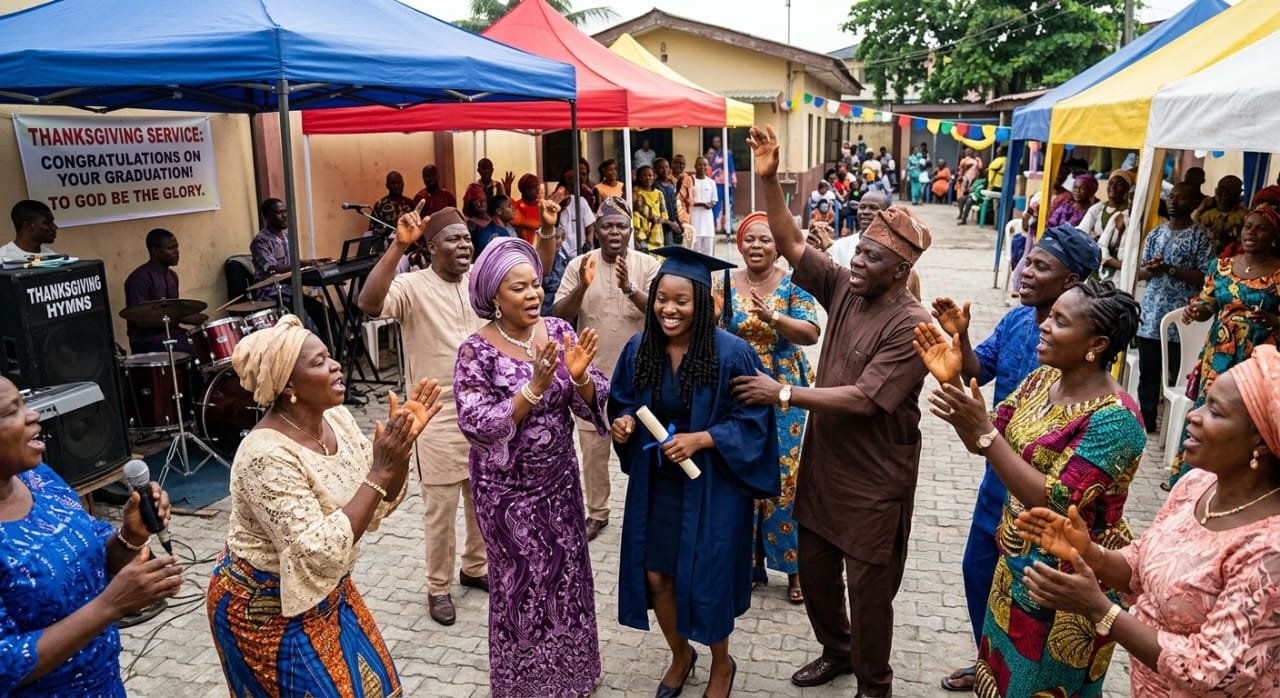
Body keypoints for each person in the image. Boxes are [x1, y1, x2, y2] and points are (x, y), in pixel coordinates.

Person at [735, 125, 932, 696]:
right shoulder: (848, 286)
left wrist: (784, 393)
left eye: (872, 257)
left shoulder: (913, 323)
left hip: (875, 480)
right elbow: (793, 243)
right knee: (818, 574)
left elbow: (867, 399)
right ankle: (837, 651)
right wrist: (769, 179)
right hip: (825, 467)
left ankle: (874, 683)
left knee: (869, 591)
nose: (859, 261)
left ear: (899, 270)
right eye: (860, 251)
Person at [917, 279, 1146, 698]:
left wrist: (984, 432)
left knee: (1042, 686)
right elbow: (987, 444)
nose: (1043, 325)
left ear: (1095, 344)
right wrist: (953, 386)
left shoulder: (1117, 420)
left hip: (1067, 583)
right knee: (1000, 677)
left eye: (1060, 321)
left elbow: (1056, 497)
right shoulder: (1042, 381)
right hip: (1015, 565)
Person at [1017, 345, 1280, 696]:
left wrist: (1101, 610)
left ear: (1259, 442)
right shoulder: (1196, 485)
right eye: (1202, 402)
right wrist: (1091, 554)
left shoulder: (1269, 551)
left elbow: (1213, 672)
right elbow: (1142, 563)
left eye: (1215, 412)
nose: (1194, 416)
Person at [207, 315, 436, 696]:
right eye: (318, 362)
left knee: (381, 687)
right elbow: (317, 552)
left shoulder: (337, 418)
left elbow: (377, 503)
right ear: (288, 386)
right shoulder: (264, 455)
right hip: (265, 607)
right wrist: (380, 470)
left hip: (330, 590)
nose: (335, 366)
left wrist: (400, 450)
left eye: (329, 356)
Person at [928, 224, 1099, 692]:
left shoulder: (1082, 344)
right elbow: (976, 370)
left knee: (1028, 595)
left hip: (1045, 497)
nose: (1024, 272)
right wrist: (959, 338)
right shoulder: (1017, 322)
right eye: (1028, 261)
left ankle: (1016, 673)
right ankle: (988, 658)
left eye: (1040, 266)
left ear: (1072, 281)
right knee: (977, 569)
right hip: (998, 476)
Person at [610, 245, 779, 698]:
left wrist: (702, 439)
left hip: (713, 485)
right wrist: (623, 423)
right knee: (657, 575)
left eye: (681, 300)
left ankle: (722, 663)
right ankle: (680, 654)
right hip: (657, 482)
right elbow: (624, 399)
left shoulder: (733, 354)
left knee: (706, 578)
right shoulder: (639, 348)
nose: (669, 309)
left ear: (701, 303)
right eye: (662, 298)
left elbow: (753, 420)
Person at [454, 236, 608, 698]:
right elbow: (477, 423)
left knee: (567, 579)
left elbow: (597, 396)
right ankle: (526, 685)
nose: (533, 295)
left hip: (560, 487)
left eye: (536, 285)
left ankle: (574, 675)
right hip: (507, 498)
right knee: (521, 586)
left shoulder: (560, 331)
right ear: (494, 298)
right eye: (518, 288)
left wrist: (579, 378)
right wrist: (533, 389)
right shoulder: (475, 351)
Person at [0, 376, 182, 697]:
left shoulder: (38, 479)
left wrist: (130, 536)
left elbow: (97, 552)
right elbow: (5, 663)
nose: (33, 415)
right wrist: (109, 606)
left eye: (24, 403)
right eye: (9, 411)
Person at [357, 205, 489, 627]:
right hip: (434, 414)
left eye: (467, 238)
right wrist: (398, 246)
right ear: (431, 248)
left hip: (483, 408)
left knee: (480, 498)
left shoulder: (479, 284)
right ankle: (438, 586)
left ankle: (475, 567)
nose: (464, 245)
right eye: (453, 239)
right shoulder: (412, 286)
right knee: (441, 506)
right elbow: (369, 303)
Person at [716, 213, 820, 603]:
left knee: (784, 479)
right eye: (749, 240)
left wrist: (774, 317)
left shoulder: (795, 283)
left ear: (778, 247)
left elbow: (811, 333)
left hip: (783, 387)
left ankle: (793, 569)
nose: (756, 246)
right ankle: (750, 562)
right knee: (743, 469)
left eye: (765, 239)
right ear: (740, 245)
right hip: (739, 384)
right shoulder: (723, 282)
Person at [553, 196, 660, 541]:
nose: (614, 232)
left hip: (641, 378)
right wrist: (583, 285)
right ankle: (597, 512)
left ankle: (648, 511)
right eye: (607, 226)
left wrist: (630, 289)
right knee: (593, 451)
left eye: (621, 226)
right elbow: (559, 316)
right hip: (591, 377)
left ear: (632, 231)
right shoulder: (578, 264)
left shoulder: (650, 266)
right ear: (595, 231)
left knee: (647, 446)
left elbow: (662, 313)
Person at [1168, 202, 1280, 486]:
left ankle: (1240, 480)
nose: (1251, 233)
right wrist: (1195, 311)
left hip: (1258, 357)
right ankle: (1191, 478)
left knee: (1249, 417)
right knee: (1209, 410)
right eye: (1248, 226)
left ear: (1274, 235)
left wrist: (1273, 320)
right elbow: (1207, 304)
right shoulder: (1222, 266)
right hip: (1219, 356)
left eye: (1261, 229)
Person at [1136, 182, 1214, 430]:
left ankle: (1174, 426)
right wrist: (1150, 269)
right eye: (1170, 197)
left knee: (1176, 376)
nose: (1172, 201)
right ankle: (1145, 422)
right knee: (1148, 373)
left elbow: (1205, 277)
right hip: (1150, 317)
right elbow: (1140, 273)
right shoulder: (1155, 234)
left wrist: (1169, 269)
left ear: (1192, 204)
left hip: (1182, 320)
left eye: (1179, 198)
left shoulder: (1200, 237)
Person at [248, 198, 333, 340]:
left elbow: (294, 263)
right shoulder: (260, 241)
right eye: (279, 213)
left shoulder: (287, 237)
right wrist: (304, 264)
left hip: (291, 292)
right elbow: (273, 268)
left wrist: (314, 263)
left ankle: (333, 353)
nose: (284, 216)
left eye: (285, 212)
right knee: (306, 325)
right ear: (267, 217)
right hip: (274, 294)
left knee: (324, 315)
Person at [123, 228, 208, 353]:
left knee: (205, 340)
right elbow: (140, 320)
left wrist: (189, 316)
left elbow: (171, 309)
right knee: (189, 348)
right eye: (170, 248)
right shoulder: (139, 279)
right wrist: (183, 318)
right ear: (155, 251)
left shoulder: (172, 276)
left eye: (177, 247)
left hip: (172, 333)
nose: (177, 252)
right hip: (146, 340)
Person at [1194, 174, 1247, 257]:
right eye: (1220, 191)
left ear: (1236, 196)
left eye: (1228, 193)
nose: (1222, 196)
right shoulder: (1207, 215)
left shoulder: (1245, 216)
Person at [551, 165, 597, 256]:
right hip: (560, 255)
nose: (571, 182)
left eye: (573, 179)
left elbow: (590, 229)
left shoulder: (581, 202)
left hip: (579, 253)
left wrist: (589, 244)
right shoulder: (553, 204)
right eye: (568, 179)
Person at [1079, 171, 1132, 243]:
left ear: (1126, 189)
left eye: (1119, 185)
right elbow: (1082, 229)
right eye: (1111, 183)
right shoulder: (1098, 208)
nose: (1113, 187)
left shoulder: (1128, 213)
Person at [368, 171, 414, 249]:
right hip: (387, 249)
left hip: (408, 248)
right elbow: (372, 231)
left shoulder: (410, 203)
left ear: (403, 184)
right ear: (387, 185)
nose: (396, 186)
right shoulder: (380, 205)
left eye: (399, 183)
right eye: (393, 183)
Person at [632, 164, 668, 252]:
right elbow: (635, 211)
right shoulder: (637, 193)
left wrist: (658, 219)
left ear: (654, 177)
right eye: (644, 175)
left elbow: (665, 216)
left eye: (650, 175)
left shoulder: (659, 194)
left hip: (657, 234)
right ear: (639, 177)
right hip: (641, 233)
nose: (648, 178)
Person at [708, 135, 737, 234]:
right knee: (717, 205)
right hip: (717, 183)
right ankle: (718, 227)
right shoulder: (714, 155)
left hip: (727, 183)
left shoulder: (727, 154)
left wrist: (733, 179)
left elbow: (732, 167)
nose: (716, 143)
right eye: (714, 142)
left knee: (729, 204)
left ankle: (729, 226)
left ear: (722, 142)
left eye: (718, 141)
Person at [690, 156, 718, 256]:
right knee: (695, 250)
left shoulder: (711, 182)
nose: (702, 167)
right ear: (695, 166)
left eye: (705, 165)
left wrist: (710, 204)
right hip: (694, 220)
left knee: (708, 251)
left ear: (708, 167)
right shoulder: (690, 181)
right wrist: (702, 204)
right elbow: (688, 200)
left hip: (707, 222)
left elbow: (714, 200)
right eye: (700, 164)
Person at [653, 157, 684, 247]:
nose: (665, 170)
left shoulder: (671, 184)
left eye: (667, 167)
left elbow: (674, 204)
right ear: (655, 170)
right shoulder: (655, 185)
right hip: (663, 224)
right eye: (661, 168)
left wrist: (678, 222)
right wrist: (669, 222)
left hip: (674, 222)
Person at [510, 173, 543, 244]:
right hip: (522, 246)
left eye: (535, 186)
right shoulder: (517, 204)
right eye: (529, 187)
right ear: (522, 190)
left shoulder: (542, 205)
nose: (533, 190)